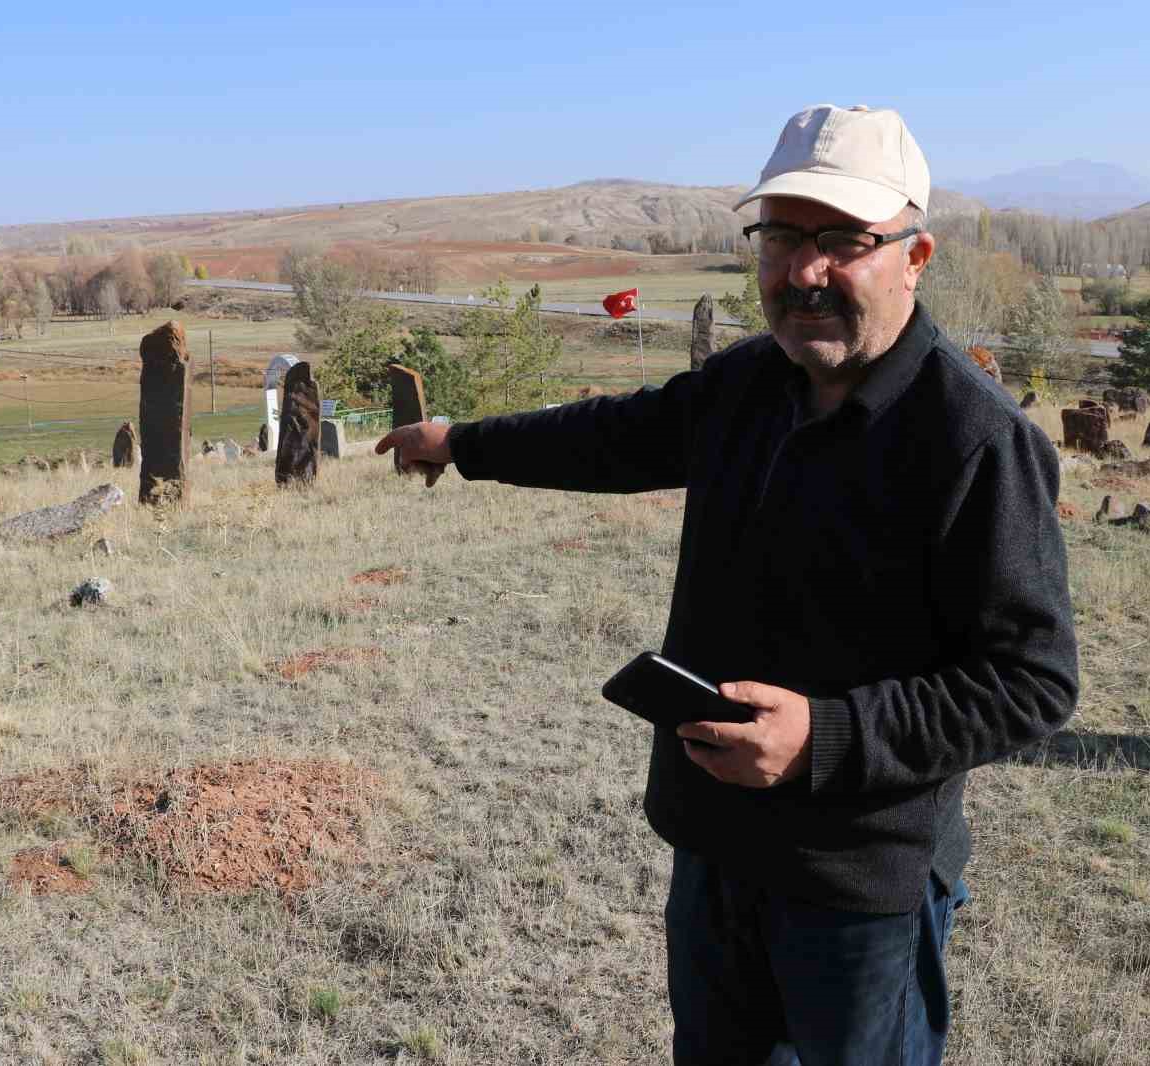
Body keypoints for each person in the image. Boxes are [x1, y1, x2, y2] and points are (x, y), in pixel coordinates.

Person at [377, 103, 1079, 1066]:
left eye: (843, 240)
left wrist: (823, 737)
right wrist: (464, 445)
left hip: (855, 881)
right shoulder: (750, 383)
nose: (804, 271)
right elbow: (611, 434)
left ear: (915, 255)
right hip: (713, 844)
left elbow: (1031, 683)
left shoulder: (976, 439)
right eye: (783, 235)